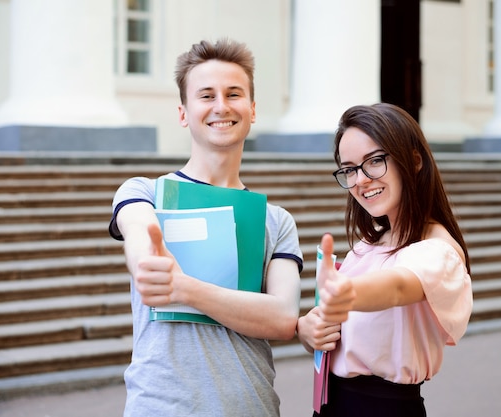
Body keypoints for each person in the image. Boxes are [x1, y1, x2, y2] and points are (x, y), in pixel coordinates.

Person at [108, 38, 303, 417]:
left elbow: (282, 318)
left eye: (234, 94)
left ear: (252, 108)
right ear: (183, 112)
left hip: (251, 405)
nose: (221, 107)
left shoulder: (277, 220)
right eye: (206, 95)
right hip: (161, 407)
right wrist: (146, 265)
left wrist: (184, 288)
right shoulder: (145, 192)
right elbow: (139, 239)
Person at [296, 103, 473, 417]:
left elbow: (397, 286)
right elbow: (333, 337)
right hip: (330, 404)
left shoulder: (437, 249)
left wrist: (348, 293)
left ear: (414, 161)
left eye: (374, 161)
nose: (361, 180)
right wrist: (308, 329)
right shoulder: (369, 243)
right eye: (349, 169)